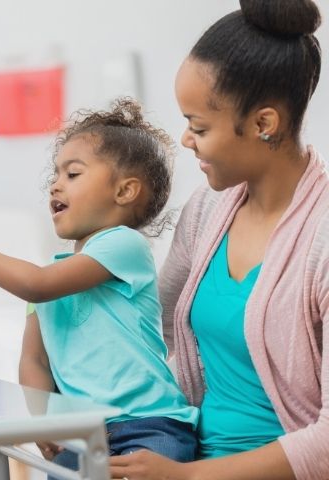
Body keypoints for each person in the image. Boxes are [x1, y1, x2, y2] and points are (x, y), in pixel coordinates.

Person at [109, 1, 329, 479]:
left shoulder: (323, 241)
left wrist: (186, 477)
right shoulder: (207, 213)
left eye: (199, 126)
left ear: (263, 124)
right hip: (187, 457)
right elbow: (149, 331)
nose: (186, 140)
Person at [0, 98, 199, 477]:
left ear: (125, 192)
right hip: (82, 433)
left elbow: (35, 285)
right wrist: (44, 422)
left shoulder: (124, 245)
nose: (55, 184)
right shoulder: (48, 280)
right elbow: (34, 361)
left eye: (73, 174)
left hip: (148, 424)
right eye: (55, 175)